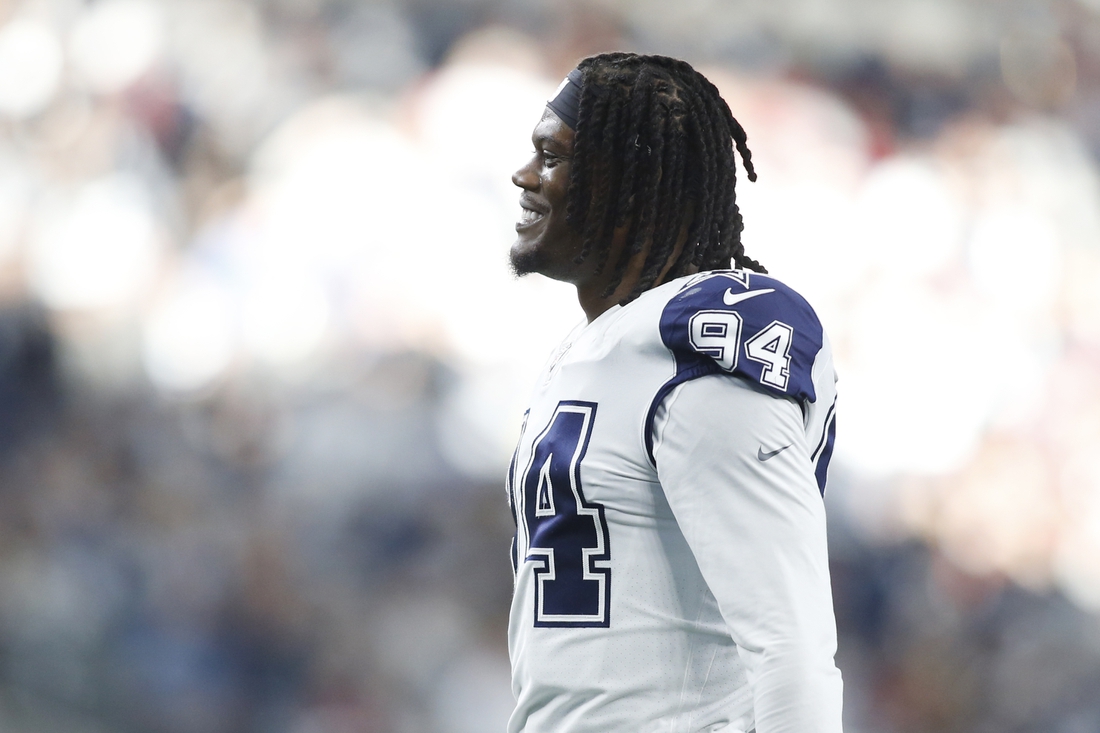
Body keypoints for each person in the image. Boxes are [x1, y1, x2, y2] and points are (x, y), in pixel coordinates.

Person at [505, 52, 842, 733]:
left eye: (551, 156)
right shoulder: (595, 348)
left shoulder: (699, 353)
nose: (524, 176)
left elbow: (792, 646)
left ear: (619, 188)